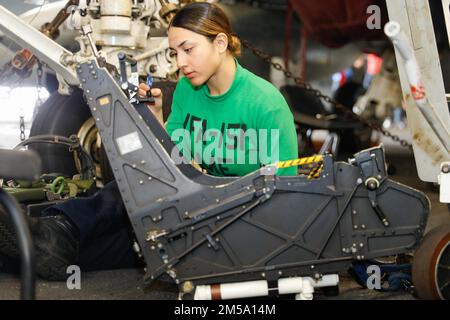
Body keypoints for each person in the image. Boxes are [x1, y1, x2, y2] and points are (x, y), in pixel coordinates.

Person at [0, 2, 298, 280]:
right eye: (174, 53)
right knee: (77, 254)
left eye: (188, 49)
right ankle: (36, 244)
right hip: (186, 212)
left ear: (220, 43)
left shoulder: (265, 105)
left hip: (235, 222)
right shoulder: (186, 90)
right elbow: (170, 160)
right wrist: (154, 119)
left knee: (128, 197)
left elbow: (287, 196)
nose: (180, 62)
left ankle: (61, 228)